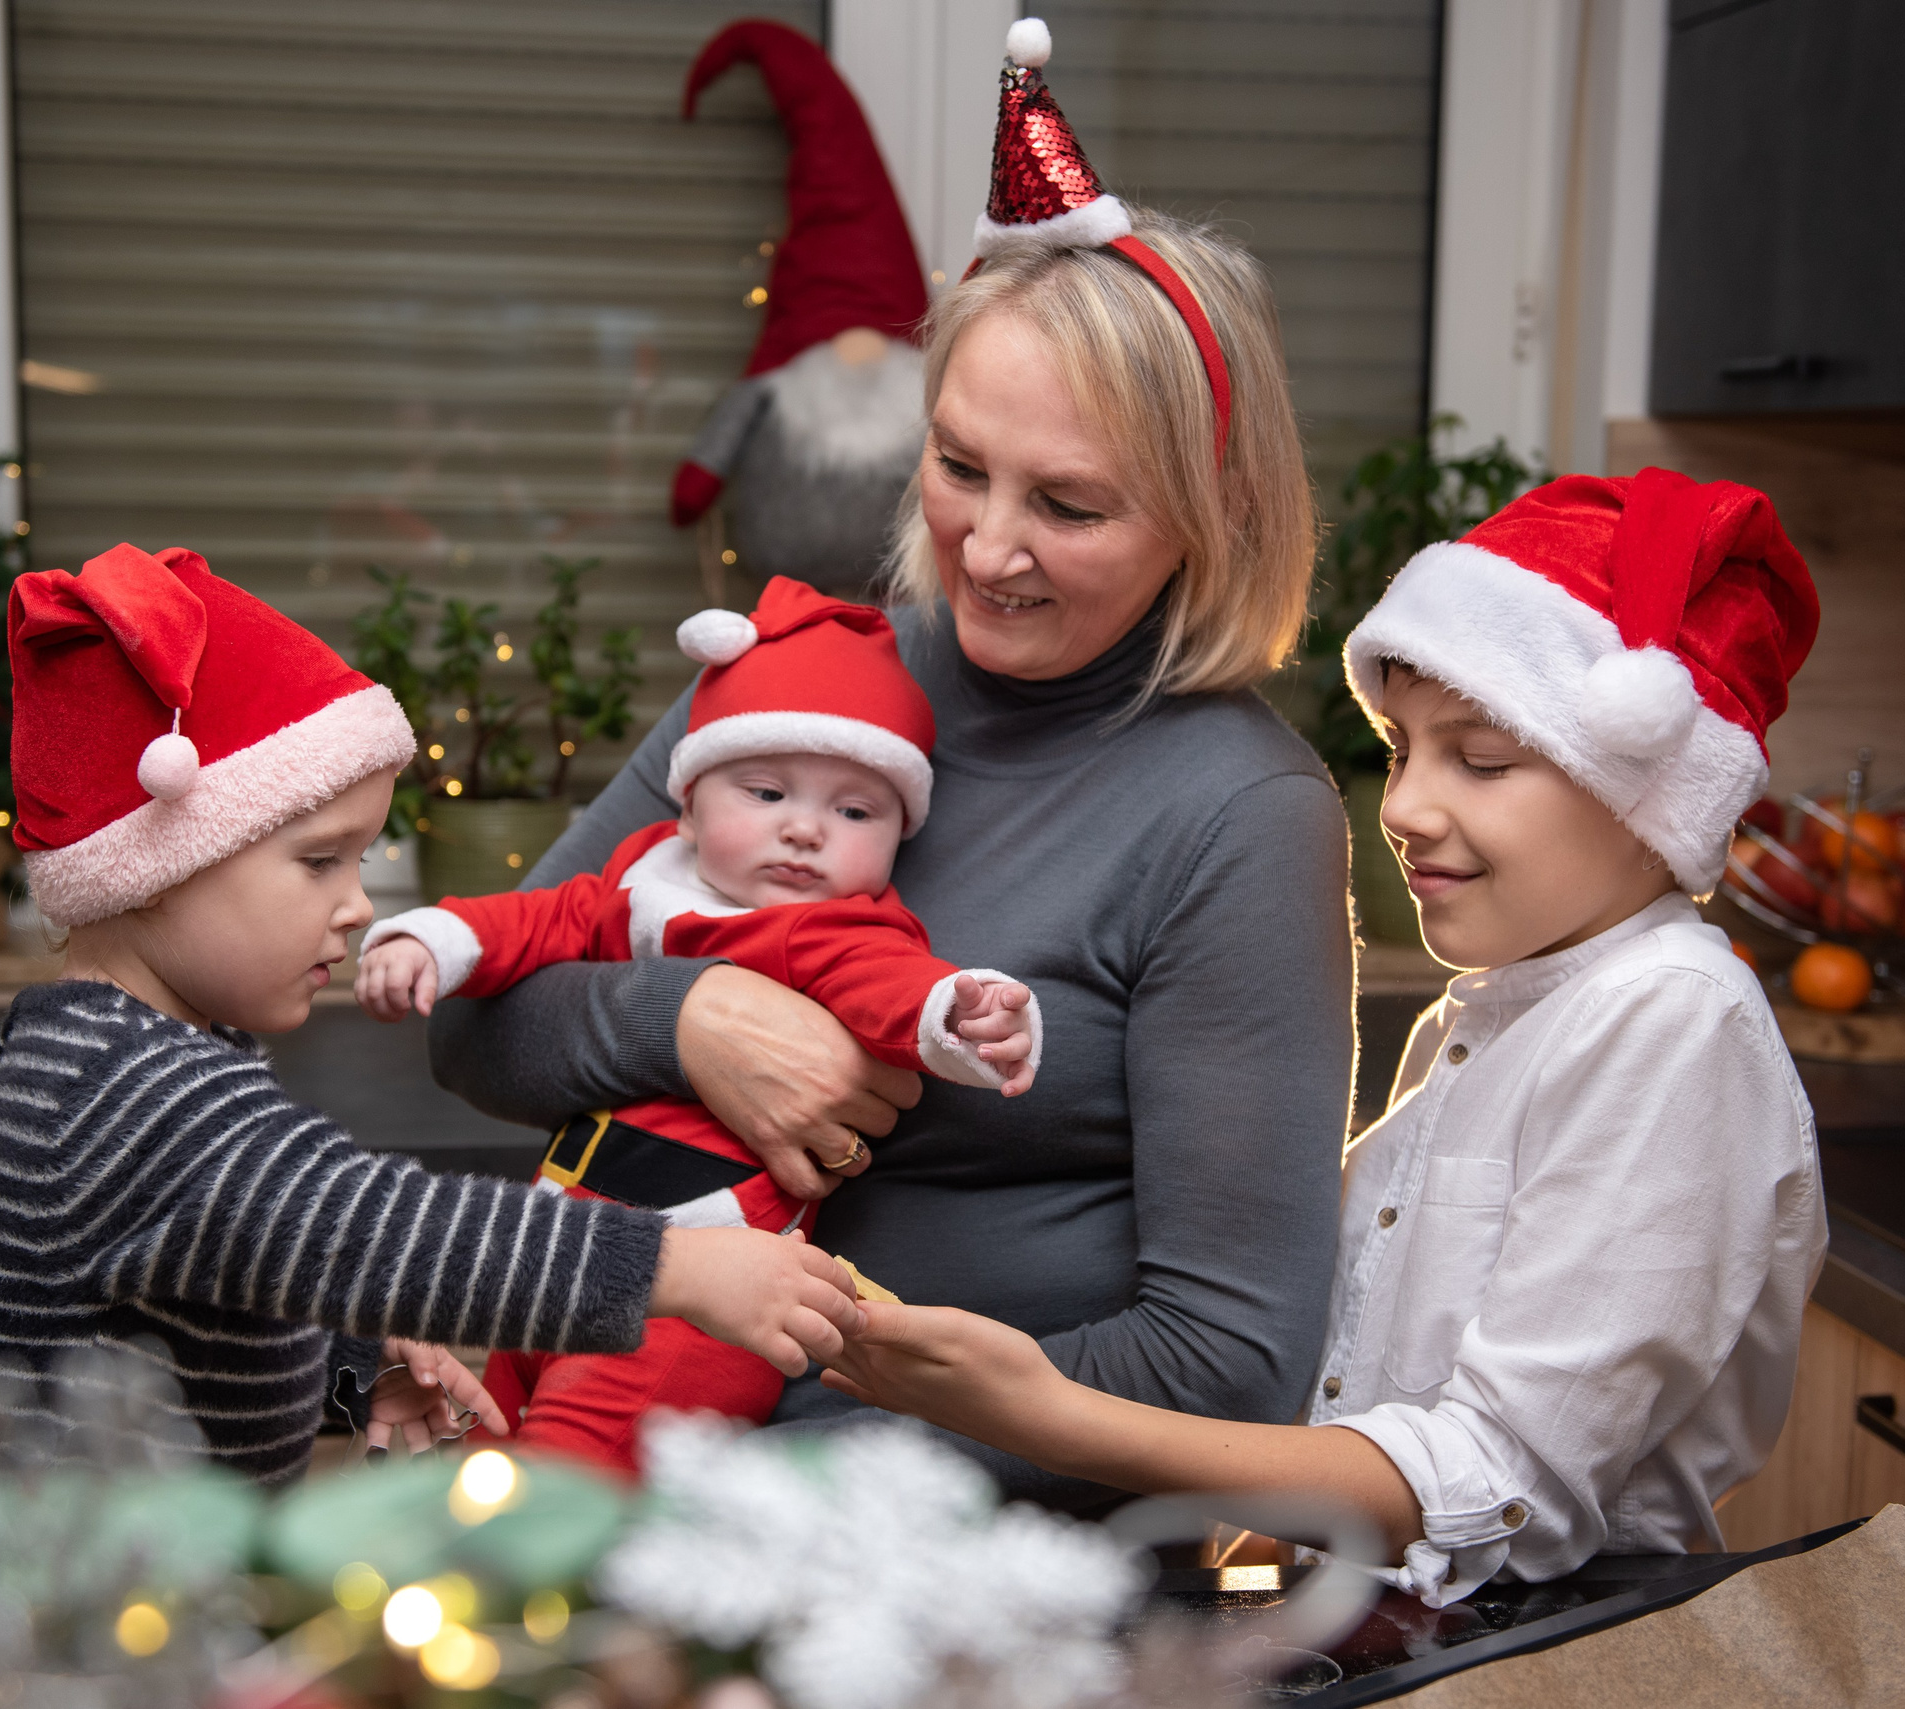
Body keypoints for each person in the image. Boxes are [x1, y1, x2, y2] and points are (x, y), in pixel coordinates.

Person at [421, 19, 1351, 1510]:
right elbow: (476, 1026)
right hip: (608, 1423)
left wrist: (774, 1477)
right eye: (958, 462)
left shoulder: (1238, 818)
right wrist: (695, 1012)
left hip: (916, 1548)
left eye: (1072, 505)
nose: (987, 549)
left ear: (1213, 512)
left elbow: (1231, 1359)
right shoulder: (806, 673)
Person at [822, 469, 1829, 1605]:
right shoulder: (1487, 1013)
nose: (1400, 804)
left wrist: (1050, 1415)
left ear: (1649, 789)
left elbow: (1505, 1482)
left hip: (1546, 1649)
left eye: (1482, 759)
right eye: (1402, 748)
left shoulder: (1670, 1019)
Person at [0, 543, 860, 1492]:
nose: (358, 904)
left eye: (363, 860)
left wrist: (356, 1354)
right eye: (321, 861)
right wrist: (680, 1269)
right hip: (59, 1613)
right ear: (153, 872)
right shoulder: (125, 1087)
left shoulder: (108, 1050)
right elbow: (379, 1228)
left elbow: (219, 1267)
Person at [353, 576, 1040, 1473]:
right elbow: (540, 921)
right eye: (765, 792)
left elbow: (898, 990)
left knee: (572, 1482)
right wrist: (432, 940)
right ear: (685, 804)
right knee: (482, 1448)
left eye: (854, 810)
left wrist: (966, 1014)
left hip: (703, 1290)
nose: (804, 830)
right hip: (569, 1234)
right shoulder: (644, 880)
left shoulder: (836, 926)